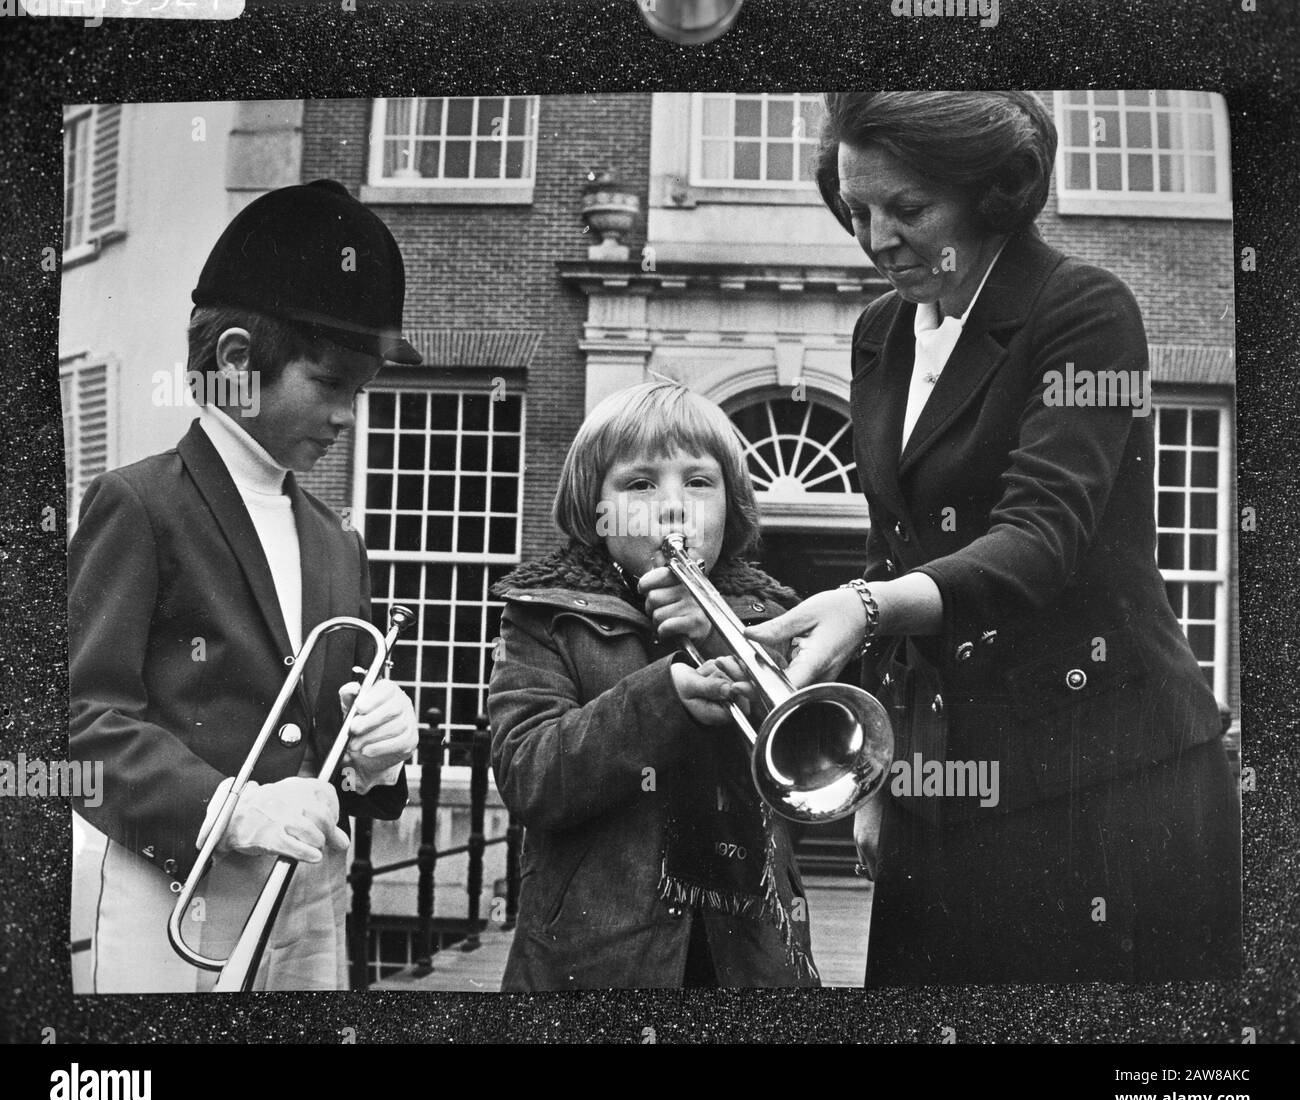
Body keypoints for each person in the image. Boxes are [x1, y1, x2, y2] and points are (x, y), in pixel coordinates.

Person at [743, 91, 1242, 984]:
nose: (875, 237)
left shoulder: (1089, 312)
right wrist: (877, 776)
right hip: (945, 786)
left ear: (991, 194)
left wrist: (866, 607)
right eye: (857, 209)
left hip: (1108, 776)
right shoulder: (881, 333)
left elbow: (1041, 538)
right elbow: (892, 548)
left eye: (907, 209)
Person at [70, 180, 422, 992]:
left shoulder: (337, 540)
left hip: (310, 890)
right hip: (176, 890)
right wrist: (229, 807)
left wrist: (382, 750)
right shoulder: (140, 501)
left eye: (359, 393)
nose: (348, 417)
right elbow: (80, 720)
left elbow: (328, 725)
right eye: (331, 384)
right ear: (235, 360)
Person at [487, 380, 819, 990]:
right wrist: (664, 701)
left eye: (699, 482)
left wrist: (727, 643)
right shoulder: (545, 616)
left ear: (732, 505)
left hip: (751, 953)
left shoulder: (775, 620)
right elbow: (528, 774)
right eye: (640, 484)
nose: (675, 507)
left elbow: (809, 769)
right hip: (597, 955)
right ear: (594, 510)